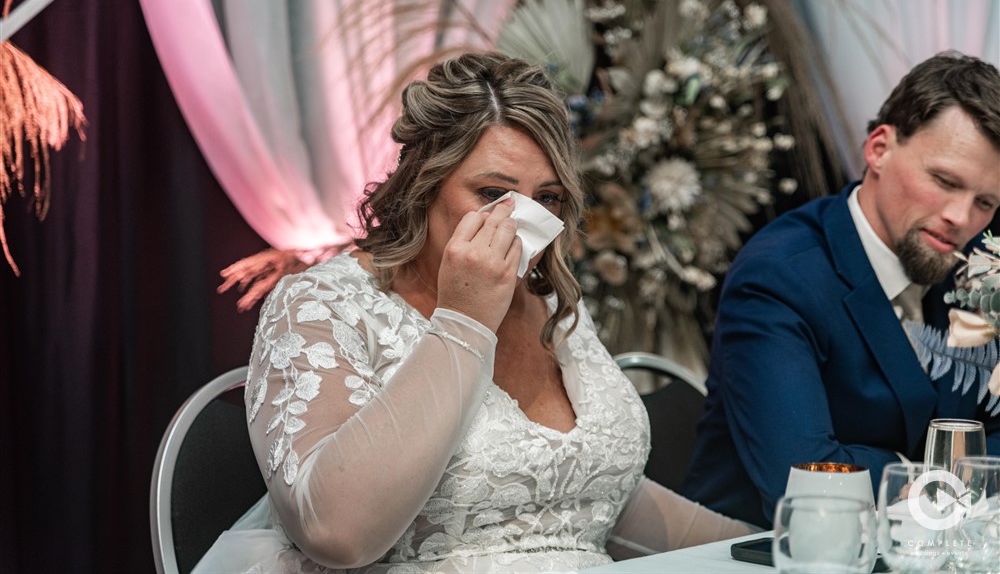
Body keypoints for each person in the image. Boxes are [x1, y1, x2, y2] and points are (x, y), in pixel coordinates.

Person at [195, 52, 753, 573]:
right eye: (493, 194)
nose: (523, 221)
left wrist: (774, 546)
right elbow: (336, 531)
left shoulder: (550, 304)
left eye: (548, 199)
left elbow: (597, 498)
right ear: (424, 185)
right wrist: (463, 323)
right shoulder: (322, 305)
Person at [682, 51, 1000, 528]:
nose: (961, 217)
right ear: (878, 149)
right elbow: (804, 478)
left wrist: (884, 467)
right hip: (754, 550)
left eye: (985, 201)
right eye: (943, 180)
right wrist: (941, 477)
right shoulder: (778, 278)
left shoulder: (972, 262)